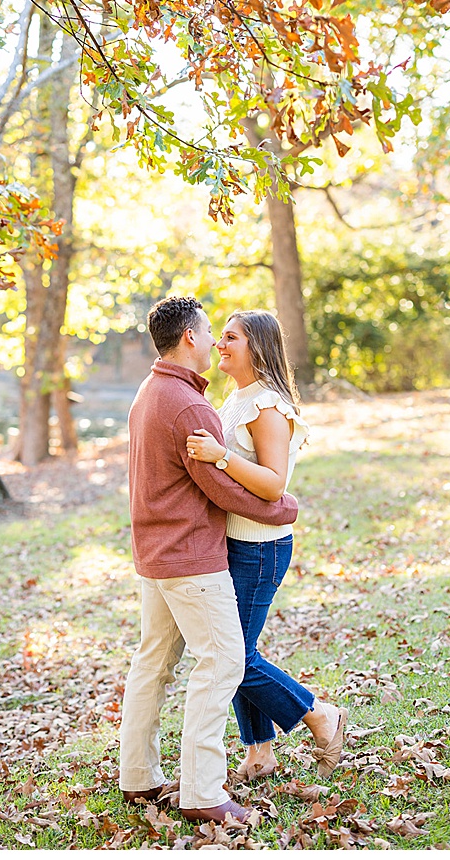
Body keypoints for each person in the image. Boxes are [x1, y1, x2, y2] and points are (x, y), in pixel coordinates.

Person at [119, 297, 300, 828]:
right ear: (190, 339)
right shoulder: (190, 405)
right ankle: (202, 792)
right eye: (210, 332)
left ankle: (138, 776)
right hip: (192, 558)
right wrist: (285, 506)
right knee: (222, 663)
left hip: (155, 554)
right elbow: (221, 488)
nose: (216, 341)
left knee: (152, 663)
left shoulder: (150, 392)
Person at [185, 310, 345, 786]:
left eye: (230, 337)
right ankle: (258, 753)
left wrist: (222, 456)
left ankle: (320, 716)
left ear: (257, 346)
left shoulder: (269, 407)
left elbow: (274, 485)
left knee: (234, 655)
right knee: (238, 649)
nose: (220, 345)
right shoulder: (237, 399)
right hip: (233, 543)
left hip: (259, 548)